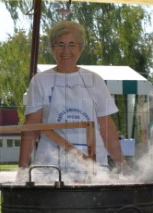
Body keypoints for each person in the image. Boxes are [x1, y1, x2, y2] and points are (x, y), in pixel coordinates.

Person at [18, 21, 127, 174]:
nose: (66, 51)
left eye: (72, 44)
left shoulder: (95, 80)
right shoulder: (40, 81)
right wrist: (22, 170)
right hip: (51, 167)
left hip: (92, 166)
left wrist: (122, 164)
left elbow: (107, 127)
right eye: (60, 44)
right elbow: (30, 128)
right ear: (53, 48)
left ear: (80, 49)